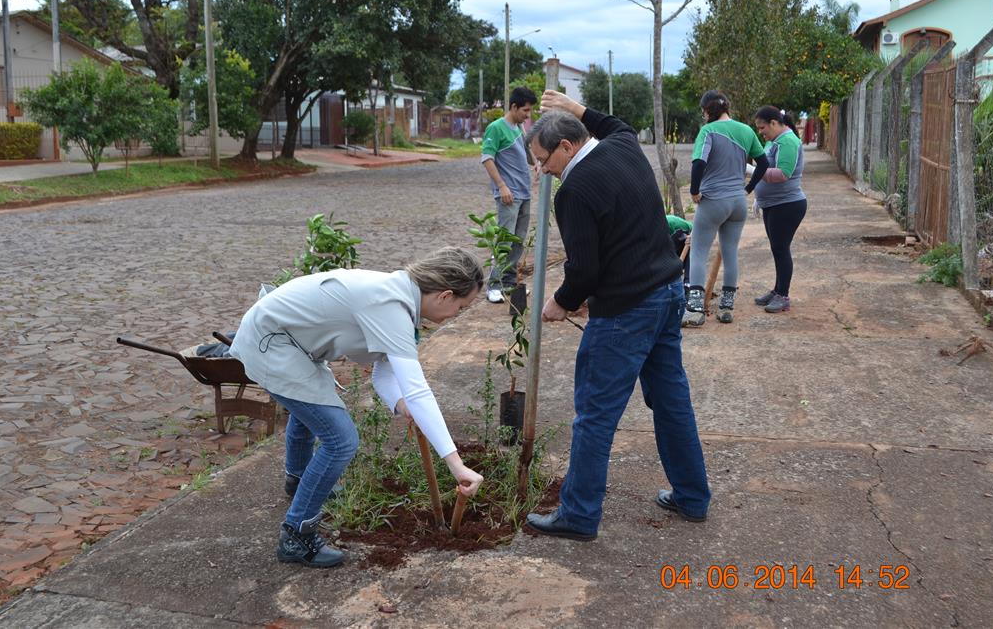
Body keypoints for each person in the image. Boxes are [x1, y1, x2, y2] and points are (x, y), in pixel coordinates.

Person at [523, 90, 711, 541]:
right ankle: (692, 496)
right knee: (671, 401)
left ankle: (579, 514)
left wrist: (561, 302)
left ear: (567, 147)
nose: (541, 169)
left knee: (594, 415)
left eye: (543, 158)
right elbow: (612, 122)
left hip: (626, 311)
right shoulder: (624, 144)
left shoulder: (574, 193)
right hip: (668, 292)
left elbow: (584, 269)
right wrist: (575, 108)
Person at [228, 247, 485, 568]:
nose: (456, 313)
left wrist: (402, 404)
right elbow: (419, 390)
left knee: (313, 409)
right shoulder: (391, 305)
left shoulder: (400, 299)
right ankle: (297, 535)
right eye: (461, 306)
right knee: (340, 439)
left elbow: (385, 372)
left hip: (291, 344)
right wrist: (456, 465)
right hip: (272, 342)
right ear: (445, 296)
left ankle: (298, 480)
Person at [682, 91, 769, 327]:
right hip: (737, 202)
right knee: (730, 253)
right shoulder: (746, 130)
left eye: (703, 111)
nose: (703, 115)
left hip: (713, 200)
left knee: (699, 251)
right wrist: (749, 188)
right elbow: (763, 162)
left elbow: (699, 161)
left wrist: (694, 190)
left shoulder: (708, 131)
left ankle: (695, 310)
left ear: (708, 110)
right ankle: (726, 308)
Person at [745, 106, 808, 313]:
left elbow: (783, 174)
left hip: (787, 205)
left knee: (781, 249)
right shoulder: (774, 141)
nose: (761, 132)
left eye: (762, 127)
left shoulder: (788, 141)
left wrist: (752, 170)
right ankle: (777, 290)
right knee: (776, 248)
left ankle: (783, 296)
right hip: (772, 204)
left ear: (774, 123)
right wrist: (758, 197)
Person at [480, 86, 538, 303]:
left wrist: (537, 163)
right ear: (514, 107)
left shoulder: (518, 128)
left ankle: (509, 283)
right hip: (509, 195)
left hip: (524, 193)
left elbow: (526, 153)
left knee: (518, 241)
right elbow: (487, 158)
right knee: (505, 240)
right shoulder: (496, 128)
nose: (528, 115)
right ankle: (494, 286)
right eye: (525, 110)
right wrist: (502, 186)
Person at [666, 214, 693, 295]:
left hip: (684, 239)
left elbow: (692, 228)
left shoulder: (672, 222)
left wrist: (691, 237)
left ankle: (687, 284)